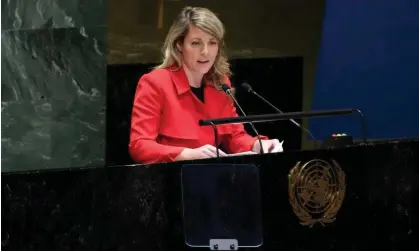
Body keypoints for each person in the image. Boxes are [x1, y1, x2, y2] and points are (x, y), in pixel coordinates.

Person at [129, 6, 283, 164]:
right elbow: (139, 145)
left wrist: (258, 145)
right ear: (179, 45)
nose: (205, 52)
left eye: (212, 43)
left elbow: (234, 136)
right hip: (172, 180)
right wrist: (186, 154)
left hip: (213, 178)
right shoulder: (155, 83)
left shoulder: (220, 84)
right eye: (196, 43)